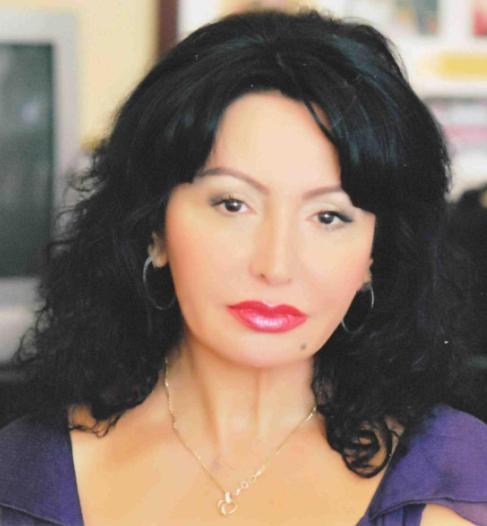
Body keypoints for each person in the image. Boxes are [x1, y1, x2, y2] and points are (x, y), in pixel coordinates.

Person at [1, 8, 486, 526]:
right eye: (233, 204)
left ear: (374, 255)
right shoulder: (22, 476)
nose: (275, 265)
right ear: (154, 227)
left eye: (328, 216)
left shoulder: (454, 479)